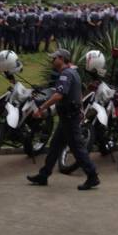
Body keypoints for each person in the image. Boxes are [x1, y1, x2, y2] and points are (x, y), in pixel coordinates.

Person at [27, 49, 99, 191]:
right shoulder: (74, 73)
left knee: (78, 149)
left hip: (69, 118)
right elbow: (78, 93)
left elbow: (58, 95)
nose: (52, 61)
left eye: (54, 58)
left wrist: (41, 109)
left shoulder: (66, 74)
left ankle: (92, 176)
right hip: (68, 117)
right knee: (54, 147)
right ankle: (44, 175)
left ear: (61, 58)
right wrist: (81, 110)